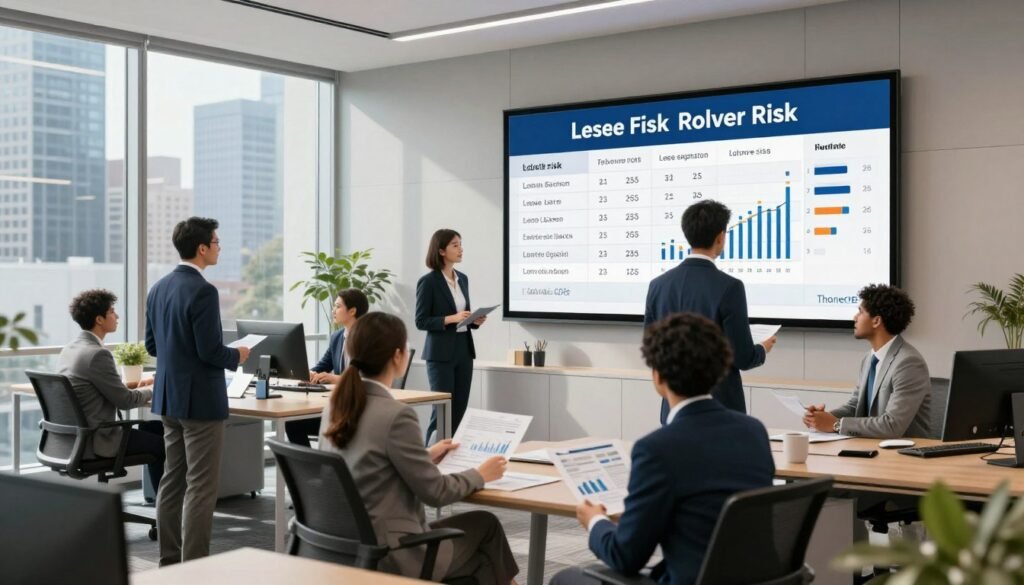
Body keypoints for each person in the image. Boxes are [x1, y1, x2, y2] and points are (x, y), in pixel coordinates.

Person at [550, 313, 775, 585]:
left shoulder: (657, 449)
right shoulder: (754, 432)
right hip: (757, 580)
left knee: (566, 579)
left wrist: (595, 521)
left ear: (658, 376)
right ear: (719, 369)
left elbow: (626, 557)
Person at [318, 312, 518, 584]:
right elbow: (436, 493)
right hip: (392, 554)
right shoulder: (396, 414)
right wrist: (481, 474)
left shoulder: (335, 405)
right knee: (487, 526)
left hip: (344, 548)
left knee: (484, 564)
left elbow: (366, 461)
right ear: (398, 356)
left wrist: (424, 455)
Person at [145, 217, 250, 566]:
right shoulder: (204, 291)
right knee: (202, 487)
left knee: (173, 480)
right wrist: (238, 354)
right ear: (202, 248)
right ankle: (196, 567)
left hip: (167, 399)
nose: (220, 247)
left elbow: (152, 346)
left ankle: (169, 561)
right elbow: (210, 352)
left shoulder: (158, 288)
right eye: (217, 242)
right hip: (201, 404)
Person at [644, 199, 776, 419]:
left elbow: (652, 350)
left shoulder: (657, 285)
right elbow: (742, 357)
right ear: (720, 237)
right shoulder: (730, 287)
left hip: (673, 409)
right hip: (720, 409)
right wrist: (762, 349)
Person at [59, 288, 165, 492]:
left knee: (154, 428)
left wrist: (141, 386)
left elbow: (96, 389)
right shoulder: (97, 355)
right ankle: (167, 510)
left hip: (72, 439)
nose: (117, 316)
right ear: (99, 319)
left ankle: (162, 505)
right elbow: (125, 402)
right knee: (168, 445)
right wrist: (156, 388)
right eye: (112, 312)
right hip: (98, 440)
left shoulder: (70, 349)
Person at [803, 284, 931, 438]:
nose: (854, 318)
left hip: (903, 454)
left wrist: (835, 424)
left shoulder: (908, 363)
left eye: (860, 312)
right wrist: (821, 418)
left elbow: (892, 425)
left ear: (876, 321)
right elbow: (856, 406)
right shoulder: (869, 358)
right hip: (870, 447)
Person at [415, 228, 486, 442]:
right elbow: (421, 321)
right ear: (441, 251)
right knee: (442, 412)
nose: (460, 248)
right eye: (455, 245)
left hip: (464, 350)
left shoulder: (462, 278)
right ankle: (430, 460)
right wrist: (450, 318)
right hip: (440, 354)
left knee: (459, 410)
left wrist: (474, 320)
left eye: (460, 244)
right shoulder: (428, 282)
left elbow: (463, 313)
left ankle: (451, 461)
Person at [285, 288, 369, 447]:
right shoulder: (337, 337)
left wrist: (335, 378)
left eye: (337, 306)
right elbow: (323, 365)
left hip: (359, 412)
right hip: (339, 408)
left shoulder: (369, 339)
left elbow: (368, 378)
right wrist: (308, 373)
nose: (333, 310)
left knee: (296, 424)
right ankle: (310, 471)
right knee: (293, 424)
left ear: (352, 311)